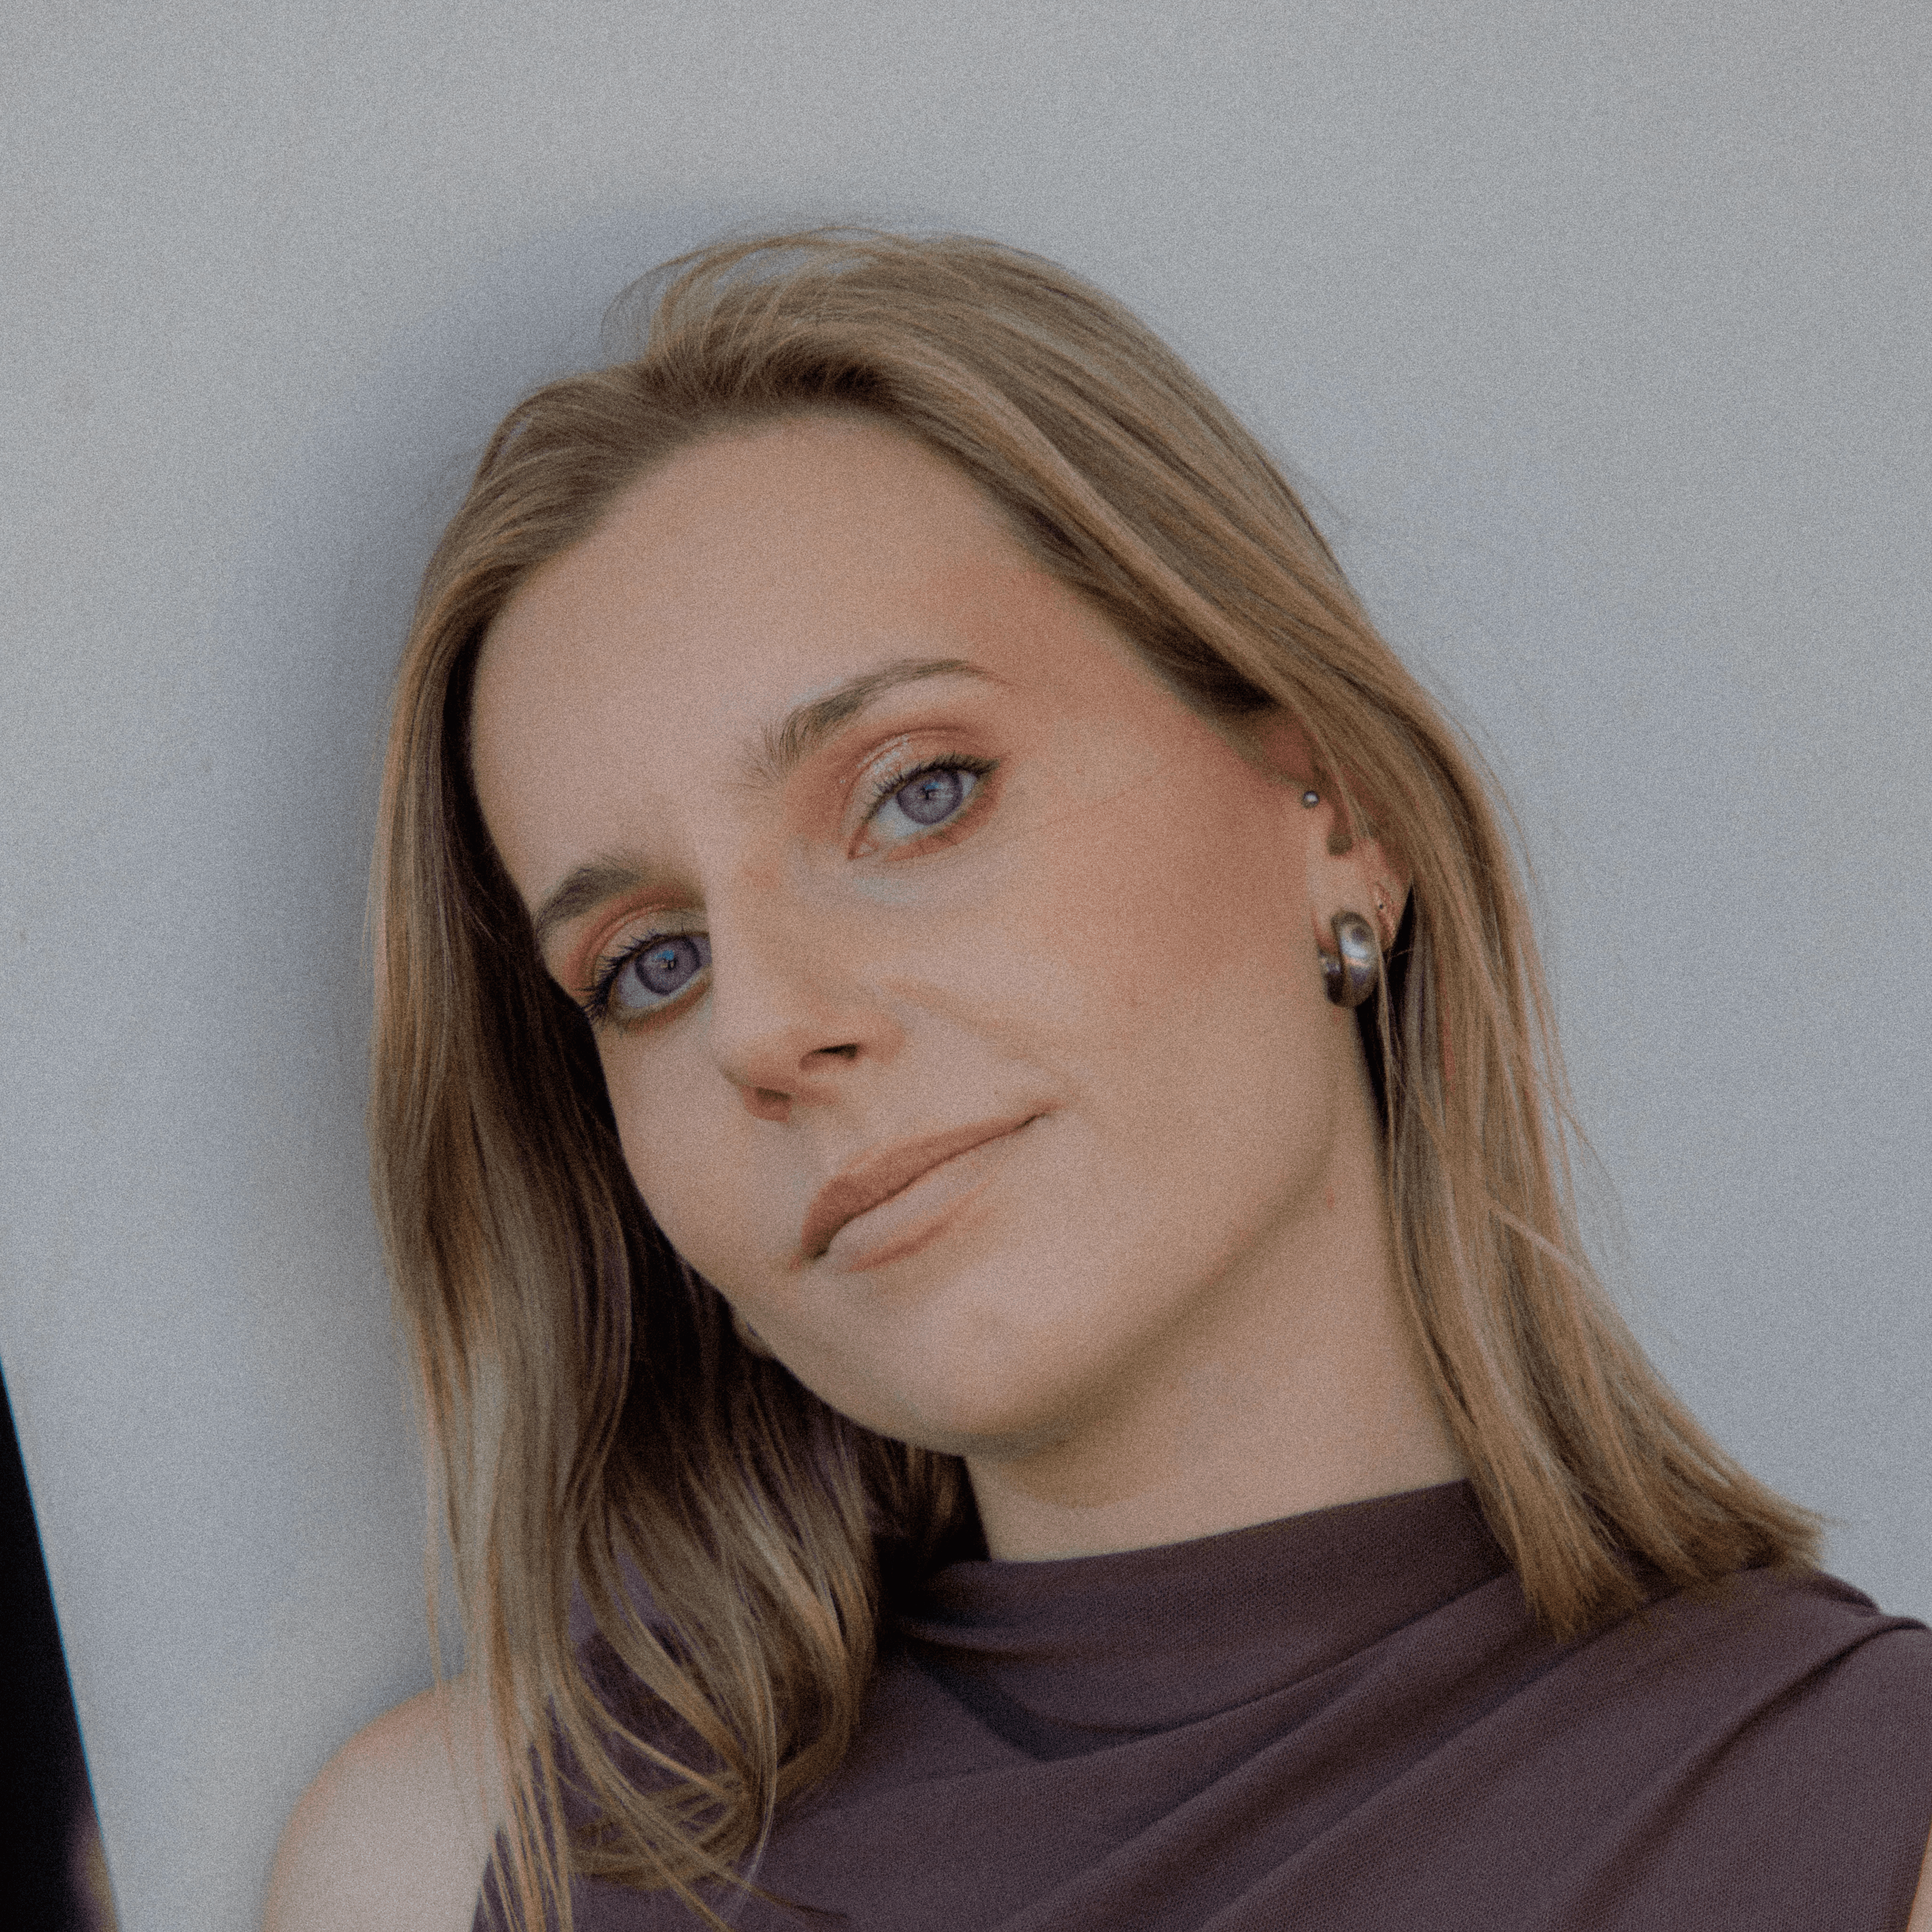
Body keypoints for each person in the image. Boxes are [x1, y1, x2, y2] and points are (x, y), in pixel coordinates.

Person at [265, 229, 1932, 1932]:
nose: (762, 1027)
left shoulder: (1872, 1832)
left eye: (918, 793)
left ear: (1333, 811)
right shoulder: (462, 1867)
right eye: (649, 965)